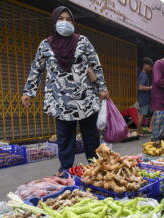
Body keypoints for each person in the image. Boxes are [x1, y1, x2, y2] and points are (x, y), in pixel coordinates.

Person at [21, 6, 109, 176]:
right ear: (54, 21)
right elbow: (36, 69)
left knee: (91, 136)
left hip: (85, 98)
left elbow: (96, 66)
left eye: (68, 19)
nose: (65, 23)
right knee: (65, 137)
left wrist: (102, 88)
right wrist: (28, 92)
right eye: (61, 19)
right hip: (60, 100)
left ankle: (96, 167)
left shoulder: (83, 41)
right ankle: (66, 169)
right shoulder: (45, 45)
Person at [137, 57, 153, 135]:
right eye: (150, 66)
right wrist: (150, 87)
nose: (151, 68)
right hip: (143, 99)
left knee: (142, 115)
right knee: (142, 115)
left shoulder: (143, 74)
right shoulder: (143, 75)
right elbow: (141, 87)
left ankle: (138, 131)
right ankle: (138, 131)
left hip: (143, 98)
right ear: (145, 65)